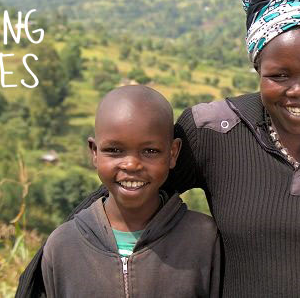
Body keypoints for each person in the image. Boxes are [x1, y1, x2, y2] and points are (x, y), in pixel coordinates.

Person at [18, 0, 300, 297]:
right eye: (278, 75)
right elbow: (131, 185)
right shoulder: (215, 132)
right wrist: (54, 262)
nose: (298, 90)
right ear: (257, 72)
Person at [38, 85, 220, 297]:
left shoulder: (203, 239)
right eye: (114, 150)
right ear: (94, 152)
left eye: (150, 151)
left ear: (173, 153)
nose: (132, 164)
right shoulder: (63, 245)